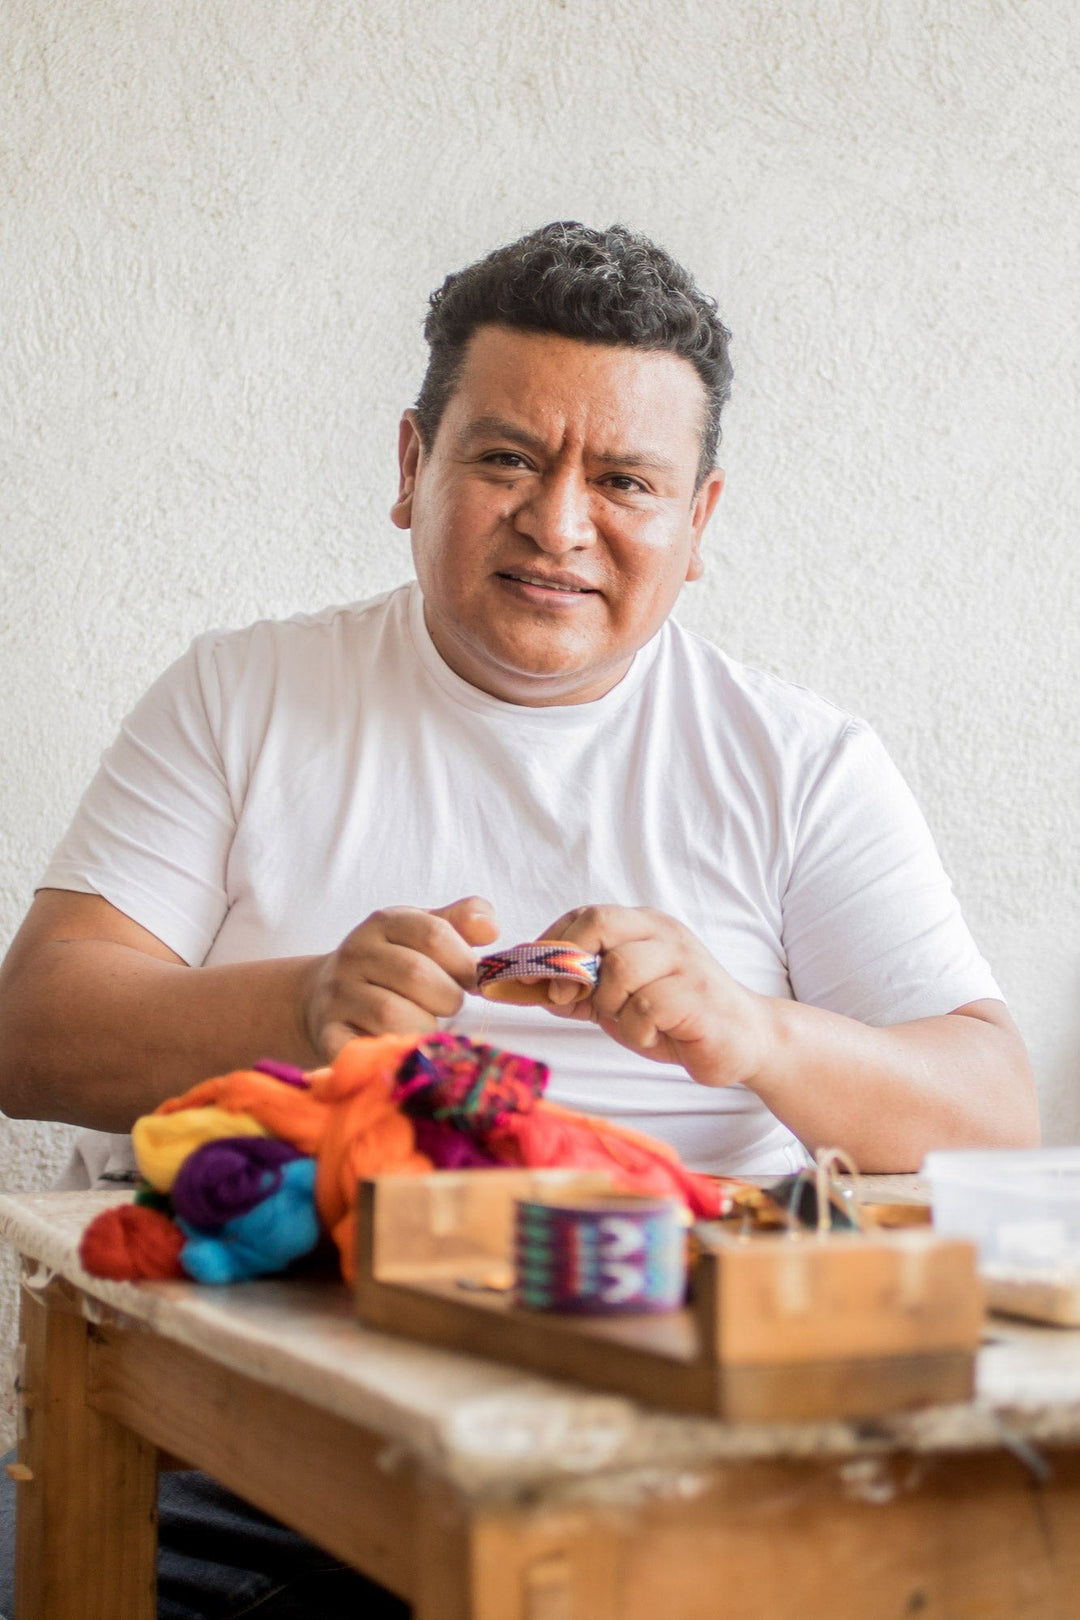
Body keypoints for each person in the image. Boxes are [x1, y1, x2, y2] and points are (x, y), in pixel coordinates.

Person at [0, 222, 1039, 1618]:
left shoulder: (801, 762)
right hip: (253, 1442)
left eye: (622, 479)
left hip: (686, 1459)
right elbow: (30, 1031)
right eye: (505, 458)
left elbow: (995, 1111)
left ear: (700, 521)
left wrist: (753, 1033)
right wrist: (301, 1004)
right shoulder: (240, 696)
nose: (558, 524)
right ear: (411, 467)